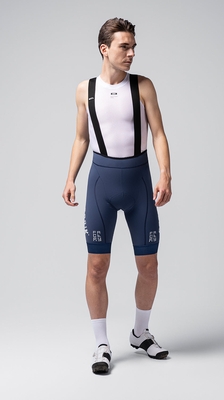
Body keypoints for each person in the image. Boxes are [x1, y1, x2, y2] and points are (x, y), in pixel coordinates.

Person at [62, 17, 172, 374]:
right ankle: (101, 345)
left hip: (139, 181)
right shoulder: (85, 90)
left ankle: (140, 334)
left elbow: (158, 133)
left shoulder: (143, 86)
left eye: (133, 47)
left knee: (149, 266)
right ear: (104, 49)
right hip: (101, 184)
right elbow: (81, 138)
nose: (131, 53)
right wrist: (70, 178)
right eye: (125, 46)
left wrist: (165, 174)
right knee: (96, 266)